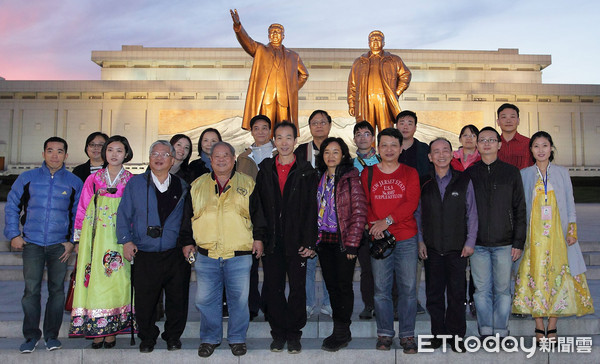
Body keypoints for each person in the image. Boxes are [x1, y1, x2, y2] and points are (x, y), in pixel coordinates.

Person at [179, 142, 266, 357]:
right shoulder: (197, 185)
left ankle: (237, 338)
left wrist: (259, 238)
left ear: (233, 158)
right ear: (210, 159)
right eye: (216, 156)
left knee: (238, 299)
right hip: (206, 253)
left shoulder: (248, 183)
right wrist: (187, 242)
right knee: (205, 299)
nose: (220, 160)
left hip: (239, 253)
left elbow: (259, 215)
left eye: (225, 156)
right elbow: (187, 218)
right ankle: (209, 338)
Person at [513, 131, 594, 345]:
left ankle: (553, 325)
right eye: (536, 146)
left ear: (551, 149)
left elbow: (569, 201)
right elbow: (521, 208)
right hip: (534, 236)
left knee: (559, 274)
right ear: (531, 150)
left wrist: (572, 228)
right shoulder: (525, 174)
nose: (541, 150)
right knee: (535, 275)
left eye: (545, 145)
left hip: (558, 233)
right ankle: (539, 324)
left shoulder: (561, 173)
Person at [4, 137, 83, 353]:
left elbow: (79, 214)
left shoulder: (75, 182)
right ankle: (30, 336)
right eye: (50, 151)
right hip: (33, 244)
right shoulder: (27, 178)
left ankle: (51, 336)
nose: (54, 155)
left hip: (60, 246)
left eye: (59, 151)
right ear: (43, 154)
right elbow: (12, 206)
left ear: (66, 155)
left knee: (57, 291)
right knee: (31, 291)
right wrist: (13, 234)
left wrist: (73, 241)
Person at [116, 140, 190, 353]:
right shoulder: (136, 183)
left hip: (174, 251)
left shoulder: (181, 185)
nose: (159, 158)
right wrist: (126, 240)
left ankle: (173, 336)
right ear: (149, 159)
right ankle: (147, 337)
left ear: (172, 160)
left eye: (164, 154)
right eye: (155, 154)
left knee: (177, 298)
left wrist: (187, 243)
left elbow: (187, 218)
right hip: (145, 251)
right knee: (145, 299)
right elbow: (123, 213)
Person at [254, 121, 318, 354]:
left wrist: (310, 241)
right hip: (272, 241)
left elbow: (312, 209)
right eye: (279, 138)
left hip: (298, 241)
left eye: (288, 138)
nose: (283, 142)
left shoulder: (307, 171)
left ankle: (294, 334)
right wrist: (259, 237)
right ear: (274, 141)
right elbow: (258, 207)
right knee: (274, 288)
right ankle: (278, 333)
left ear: (295, 140)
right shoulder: (265, 169)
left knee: (298, 288)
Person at [69, 135, 134, 348]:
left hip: (120, 237)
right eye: (110, 150)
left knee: (118, 280)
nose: (114, 154)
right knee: (95, 278)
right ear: (104, 152)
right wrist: (78, 239)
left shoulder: (132, 180)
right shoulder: (93, 179)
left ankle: (112, 329)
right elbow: (82, 208)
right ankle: (97, 328)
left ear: (126, 154)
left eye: (119, 150)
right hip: (95, 237)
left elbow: (136, 211)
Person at [362, 128, 420, 353]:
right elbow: (364, 204)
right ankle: (385, 334)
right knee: (381, 289)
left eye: (393, 145)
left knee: (408, 289)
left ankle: (407, 335)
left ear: (401, 148)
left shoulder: (410, 173)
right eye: (384, 145)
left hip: (406, 238)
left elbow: (410, 203)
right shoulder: (367, 174)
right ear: (377, 148)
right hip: (379, 240)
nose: (389, 149)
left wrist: (386, 221)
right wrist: (373, 225)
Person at [465, 126, 526, 339]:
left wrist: (518, 242)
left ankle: (501, 329)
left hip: (505, 243)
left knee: (502, 290)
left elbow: (520, 209)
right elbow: (465, 209)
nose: (487, 143)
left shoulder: (511, 172)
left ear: (499, 145)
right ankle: (486, 330)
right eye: (483, 140)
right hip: (478, 244)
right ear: (477, 145)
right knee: (481, 291)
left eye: (492, 139)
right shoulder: (470, 173)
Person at [418, 138, 478, 352]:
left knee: (456, 295)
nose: (441, 155)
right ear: (430, 156)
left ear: (452, 154)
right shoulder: (424, 182)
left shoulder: (464, 180)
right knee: (434, 295)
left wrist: (470, 242)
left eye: (445, 150)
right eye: (436, 151)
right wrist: (420, 241)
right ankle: (438, 334)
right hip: (432, 249)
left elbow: (472, 213)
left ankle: (456, 335)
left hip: (457, 250)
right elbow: (418, 214)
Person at [315, 137, 367, 351]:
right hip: (323, 241)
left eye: (336, 152)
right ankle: (339, 328)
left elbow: (359, 212)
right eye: (327, 152)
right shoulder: (319, 177)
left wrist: (353, 244)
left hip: (343, 242)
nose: (331, 156)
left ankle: (342, 331)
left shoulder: (350, 178)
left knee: (343, 287)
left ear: (344, 155)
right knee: (332, 287)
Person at [230, 9, 309, 134]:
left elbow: (304, 74)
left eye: (278, 32)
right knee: (266, 129)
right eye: (272, 32)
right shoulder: (261, 50)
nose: (275, 34)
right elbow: (247, 42)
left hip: (284, 99)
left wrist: (292, 88)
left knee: (284, 131)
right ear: (268, 36)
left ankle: (282, 152)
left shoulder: (293, 56)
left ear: (283, 36)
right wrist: (238, 27)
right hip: (267, 97)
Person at [236, 114, 277, 320]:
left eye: (264, 128)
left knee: (271, 265)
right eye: (256, 128)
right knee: (249, 265)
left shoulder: (280, 152)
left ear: (270, 131)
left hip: (273, 216)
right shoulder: (243, 157)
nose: (260, 132)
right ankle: (252, 305)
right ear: (251, 131)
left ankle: (270, 305)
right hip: (249, 217)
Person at [294, 109, 333, 318]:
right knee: (306, 264)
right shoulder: (300, 151)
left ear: (330, 125)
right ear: (309, 127)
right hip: (306, 215)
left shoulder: (337, 149)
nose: (319, 125)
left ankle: (329, 303)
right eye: (315, 122)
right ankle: (307, 303)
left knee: (329, 263)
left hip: (331, 218)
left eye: (323, 122)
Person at [395, 110, 431, 315]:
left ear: (415, 127)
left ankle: (413, 297)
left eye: (410, 123)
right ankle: (396, 299)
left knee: (415, 257)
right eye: (402, 122)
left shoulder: (423, 150)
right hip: (391, 209)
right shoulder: (390, 148)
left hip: (417, 209)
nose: (406, 126)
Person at [348, 30, 411, 132]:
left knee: (386, 132)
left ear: (383, 43)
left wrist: (396, 92)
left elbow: (405, 75)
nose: (375, 41)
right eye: (372, 39)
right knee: (366, 132)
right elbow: (352, 85)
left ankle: (387, 148)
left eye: (378, 39)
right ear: (368, 43)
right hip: (365, 101)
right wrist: (352, 104)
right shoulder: (359, 62)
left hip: (384, 99)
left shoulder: (393, 60)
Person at [450, 124, 481, 317]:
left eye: (473, 135)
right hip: (454, 217)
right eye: (465, 135)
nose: (469, 138)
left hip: (477, 214)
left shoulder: (482, 158)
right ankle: (460, 300)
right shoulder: (451, 158)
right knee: (459, 266)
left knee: (476, 267)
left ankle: (475, 300)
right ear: (460, 138)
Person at [352, 121, 380, 319]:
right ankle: (369, 304)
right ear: (354, 138)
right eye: (359, 134)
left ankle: (388, 304)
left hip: (382, 223)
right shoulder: (349, 165)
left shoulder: (383, 160)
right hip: (360, 225)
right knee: (367, 269)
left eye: (367, 134)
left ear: (373, 138)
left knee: (386, 268)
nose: (363, 137)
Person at [496, 103, 534, 170]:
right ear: (498, 122)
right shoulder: (493, 144)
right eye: (504, 117)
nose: (508, 121)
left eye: (512, 117)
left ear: (518, 121)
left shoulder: (529, 143)